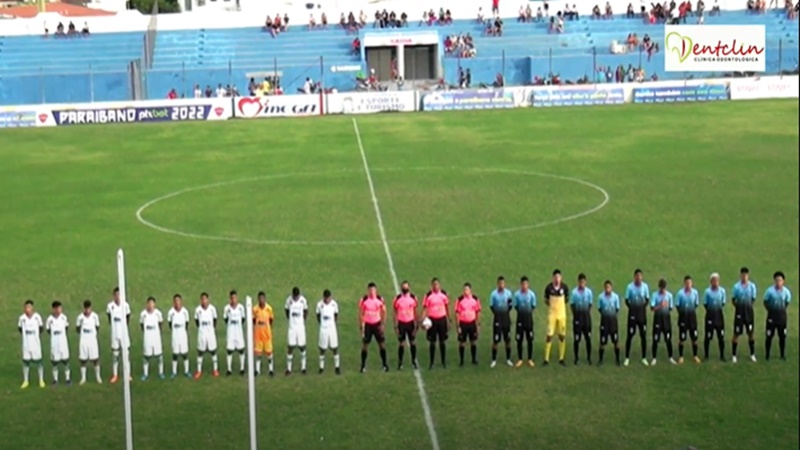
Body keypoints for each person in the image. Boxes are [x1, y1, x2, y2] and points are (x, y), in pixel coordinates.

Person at [359, 282, 389, 372]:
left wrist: (383, 324)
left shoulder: (380, 299)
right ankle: (363, 366)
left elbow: (384, 311)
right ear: (368, 290)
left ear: (376, 290)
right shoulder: (364, 300)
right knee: (365, 345)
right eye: (370, 290)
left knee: (381, 344)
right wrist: (361, 326)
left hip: (377, 324)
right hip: (368, 325)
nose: (372, 292)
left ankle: (384, 365)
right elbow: (361, 313)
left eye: (373, 290)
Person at [624, 269, 650, 366]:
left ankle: (644, 358)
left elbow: (647, 299)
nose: (638, 278)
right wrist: (633, 308)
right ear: (634, 276)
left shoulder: (645, 287)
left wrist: (642, 307)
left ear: (641, 277)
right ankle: (627, 358)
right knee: (630, 336)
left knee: (643, 336)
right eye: (637, 276)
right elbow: (626, 300)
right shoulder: (630, 287)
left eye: (640, 276)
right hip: (632, 315)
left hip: (642, 316)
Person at [422, 278, 450, 369]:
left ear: (440, 285)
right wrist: (422, 320)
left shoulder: (444, 294)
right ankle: (431, 362)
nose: (436, 286)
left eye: (437, 284)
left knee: (442, 342)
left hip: (442, 320)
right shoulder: (428, 295)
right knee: (432, 342)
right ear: (432, 285)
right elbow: (425, 308)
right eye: (434, 284)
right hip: (432, 321)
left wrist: (448, 319)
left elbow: (446, 307)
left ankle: (443, 362)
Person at [731, 267, 757, 363]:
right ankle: (734, 355)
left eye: (746, 275)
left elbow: (753, 299)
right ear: (740, 275)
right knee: (736, 333)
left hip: (749, 313)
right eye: (743, 275)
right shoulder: (736, 287)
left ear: (748, 276)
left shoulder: (752, 286)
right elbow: (733, 299)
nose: (744, 277)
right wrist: (739, 308)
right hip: (739, 313)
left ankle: (752, 354)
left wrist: (748, 307)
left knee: (751, 333)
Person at [543, 269, 569, 366]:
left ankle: (561, 358)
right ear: (553, 278)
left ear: (561, 278)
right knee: (549, 336)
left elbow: (566, 299)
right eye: (555, 277)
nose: (557, 279)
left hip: (562, 315)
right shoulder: (549, 288)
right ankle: (546, 359)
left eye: (559, 277)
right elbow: (546, 300)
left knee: (561, 336)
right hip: (552, 315)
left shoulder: (564, 287)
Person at [764, 271, 791, 361]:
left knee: (782, 336)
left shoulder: (786, 292)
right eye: (777, 280)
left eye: (780, 280)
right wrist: (771, 310)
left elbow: (787, 302)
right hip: (771, 317)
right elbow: (765, 302)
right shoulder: (769, 291)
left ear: (783, 281)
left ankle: (782, 354)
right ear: (774, 281)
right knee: (769, 336)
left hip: (782, 317)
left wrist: (781, 310)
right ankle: (767, 354)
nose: (778, 282)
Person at [106, 287, 131, 383]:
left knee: (126, 354)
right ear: (114, 296)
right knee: (115, 355)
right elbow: (109, 317)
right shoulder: (110, 306)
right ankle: (115, 374)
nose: (118, 297)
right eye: (116, 295)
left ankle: (127, 374)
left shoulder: (125, 306)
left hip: (124, 334)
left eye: (119, 295)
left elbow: (128, 317)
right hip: (115, 333)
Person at [393, 280, 419, 370]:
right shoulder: (397, 299)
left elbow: (415, 312)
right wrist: (395, 325)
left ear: (409, 288)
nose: (405, 289)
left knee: (412, 342)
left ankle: (413, 361)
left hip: (410, 323)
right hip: (401, 323)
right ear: (401, 288)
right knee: (401, 343)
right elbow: (395, 312)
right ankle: (400, 363)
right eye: (404, 287)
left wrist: (417, 325)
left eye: (406, 287)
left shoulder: (413, 298)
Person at [18, 300, 45, 389]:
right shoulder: (22, 318)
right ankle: (26, 380)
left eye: (29, 307)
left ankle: (41, 380)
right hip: (26, 343)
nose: (27, 309)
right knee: (26, 362)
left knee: (39, 362)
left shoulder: (37, 317)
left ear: (32, 308)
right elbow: (20, 329)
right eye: (26, 307)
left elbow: (41, 328)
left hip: (36, 343)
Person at [675, 276, 701, 364]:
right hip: (683, 319)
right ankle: (681, 356)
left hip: (692, 319)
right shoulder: (680, 293)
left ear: (692, 283)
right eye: (687, 283)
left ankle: (695, 356)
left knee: (694, 338)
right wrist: (682, 314)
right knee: (682, 338)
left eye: (690, 283)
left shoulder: (695, 293)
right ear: (684, 283)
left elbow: (696, 304)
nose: (688, 285)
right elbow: (677, 306)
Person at [489, 276, 513, 367]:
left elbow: (510, 305)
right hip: (497, 319)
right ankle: (494, 360)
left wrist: (505, 313)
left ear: (504, 284)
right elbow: (491, 306)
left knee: (508, 340)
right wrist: (498, 314)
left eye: (503, 283)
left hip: (506, 319)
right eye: (500, 283)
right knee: (495, 340)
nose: (501, 285)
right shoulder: (493, 294)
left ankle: (508, 359)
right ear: (497, 284)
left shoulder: (508, 293)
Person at [650, 279, 676, 365]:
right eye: (661, 288)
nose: (663, 290)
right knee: (655, 339)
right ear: (659, 287)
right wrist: (660, 306)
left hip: (666, 320)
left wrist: (666, 306)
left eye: (664, 288)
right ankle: (654, 358)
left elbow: (670, 308)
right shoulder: (655, 295)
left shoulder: (669, 296)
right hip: (657, 320)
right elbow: (652, 308)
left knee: (668, 339)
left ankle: (670, 357)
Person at [193, 292, 219, 378]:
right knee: (200, 352)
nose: (204, 301)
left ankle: (215, 370)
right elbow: (196, 321)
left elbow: (215, 319)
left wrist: (211, 329)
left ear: (208, 299)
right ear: (201, 300)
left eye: (205, 299)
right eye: (202, 299)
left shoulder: (212, 309)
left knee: (213, 351)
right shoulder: (198, 310)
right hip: (202, 334)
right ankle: (199, 371)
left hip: (210, 333)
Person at [76, 300, 102, 384]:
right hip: (84, 339)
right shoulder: (80, 318)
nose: (87, 310)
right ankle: (83, 378)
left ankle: (98, 377)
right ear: (84, 308)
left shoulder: (95, 316)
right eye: (86, 308)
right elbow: (78, 328)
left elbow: (97, 326)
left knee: (95, 359)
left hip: (92, 339)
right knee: (83, 360)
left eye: (89, 308)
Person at [570, 273, 594, 365]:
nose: (582, 284)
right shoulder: (574, 292)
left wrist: (586, 313)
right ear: (578, 282)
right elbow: (572, 305)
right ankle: (576, 358)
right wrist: (576, 315)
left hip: (586, 319)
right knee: (577, 339)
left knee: (588, 338)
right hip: (577, 319)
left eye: (583, 282)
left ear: (585, 282)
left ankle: (589, 358)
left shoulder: (589, 292)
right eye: (580, 282)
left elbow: (590, 304)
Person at [455, 283, 481, 366]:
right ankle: (461, 360)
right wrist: (458, 326)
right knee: (462, 342)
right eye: (464, 289)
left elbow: (478, 312)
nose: (465, 291)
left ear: (470, 290)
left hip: (472, 323)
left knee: (473, 342)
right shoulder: (459, 300)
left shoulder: (475, 299)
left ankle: (474, 359)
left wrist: (478, 324)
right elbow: (457, 313)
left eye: (467, 289)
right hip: (463, 323)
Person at [513, 276, 537, 367]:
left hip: (529, 320)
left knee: (529, 339)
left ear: (528, 284)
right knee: (519, 339)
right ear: (521, 285)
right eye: (523, 284)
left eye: (526, 284)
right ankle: (520, 359)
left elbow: (533, 306)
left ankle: (530, 359)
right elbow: (516, 306)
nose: (524, 286)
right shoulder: (517, 295)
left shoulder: (531, 295)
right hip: (520, 319)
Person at [703, 273, 727, 362]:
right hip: (710, 316)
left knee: (721, 336)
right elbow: (705, 304)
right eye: (713, 281)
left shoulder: (722, 291)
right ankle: (706, 355)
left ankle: (722, 355)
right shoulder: (707, 292)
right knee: (708, 336)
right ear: (711, 282)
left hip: (719, 316)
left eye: (717, 280)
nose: (715, 282)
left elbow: (723, 303)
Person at [45, 300, 71, 385]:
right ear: (53, 309)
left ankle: (67, 379)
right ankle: (55, 380)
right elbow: (48, 330)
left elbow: (66, 327)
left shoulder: (64, 318)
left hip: (63, 342)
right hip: (54, 342)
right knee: (55, 362)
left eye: (59, 308)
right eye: (56, 308)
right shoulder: (50, 319)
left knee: (65, 361)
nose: (58, 310)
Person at [139, 297, 164, 380]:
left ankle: (161, 372)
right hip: (147, 338)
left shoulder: (158, 313)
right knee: (146, 356)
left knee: (159, 356)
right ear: (147, 304)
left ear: (154, 304)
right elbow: (142, 325)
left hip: (156, 337)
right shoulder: (143, 314)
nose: (150, 305)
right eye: (149, 303)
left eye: (152, 303)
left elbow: (160, 324)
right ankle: (145, 374)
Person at [285, 287, 309, 375]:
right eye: (294, 296)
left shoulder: (303, 300)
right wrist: (291, 320)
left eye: (296, 296)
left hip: (300, 328)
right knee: (290, 347)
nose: (295, 298)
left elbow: (306, 311)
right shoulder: (289, 300)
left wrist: (302, 320)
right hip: (292, 327)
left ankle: (303, 368)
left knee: (302, 346)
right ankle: (289, 369)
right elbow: (286, 310)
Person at [167, 294, 191, 378]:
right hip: (175, 335)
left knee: (185, 353)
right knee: (175, 354)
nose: (177, 303)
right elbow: (170, 324)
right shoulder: (171, 312)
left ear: (181, 301)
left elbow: (187, 323)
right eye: (175, 301)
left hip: (183, 335)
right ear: (173, 302)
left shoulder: (185, 312)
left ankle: (186, 371)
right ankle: (174, 372)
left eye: (178, 301)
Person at [316, 289, 341, 374]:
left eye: (328, 298)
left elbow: (336, 315)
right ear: (323, 297)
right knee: (322, 349)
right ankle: (321, 367)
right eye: (326, 298)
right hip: (323, 329)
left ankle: (337, 367)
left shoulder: (334, 304)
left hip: (332, 329)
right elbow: (318, 315)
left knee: (335, 348)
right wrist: (323, 324)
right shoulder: (320, 305)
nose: (327, 300)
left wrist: (332, 323)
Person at [597, 280, 621, 365]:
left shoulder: (615, 297)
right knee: (602, 342)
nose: (607, 288)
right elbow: (599, 309)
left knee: (616, 341)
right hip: (604, 322)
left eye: (609, 287)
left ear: (611, 287)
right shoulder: (600, 297)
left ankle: (617, 359)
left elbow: (617, 309)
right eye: (606, 287)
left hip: (613, 323)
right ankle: (600, 360)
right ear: (604, 287)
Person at [223, 290, 246, 376]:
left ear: (237, 298)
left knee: (241, 350)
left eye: (235, 298)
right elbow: (225, 319)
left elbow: (243, 319)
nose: (233, 300)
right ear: (230, 299)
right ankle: (229, 369)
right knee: (229, 350)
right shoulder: (227, 308)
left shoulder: (241, 308)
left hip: (239, 332)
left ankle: (242, 368)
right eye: (232, 298)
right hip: (231, 332)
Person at [253, 291, 275, 376]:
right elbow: (253, 320)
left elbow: (271, 319)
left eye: (263, 298)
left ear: (265, 299)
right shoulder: (255, 309)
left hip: (267, 335)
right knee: (258, 354)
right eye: (260, 299)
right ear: (258, 299)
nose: (261, 300)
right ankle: (257, 370)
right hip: (258, 335)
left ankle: (271, 370)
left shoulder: (269, 309)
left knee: (269, 353)